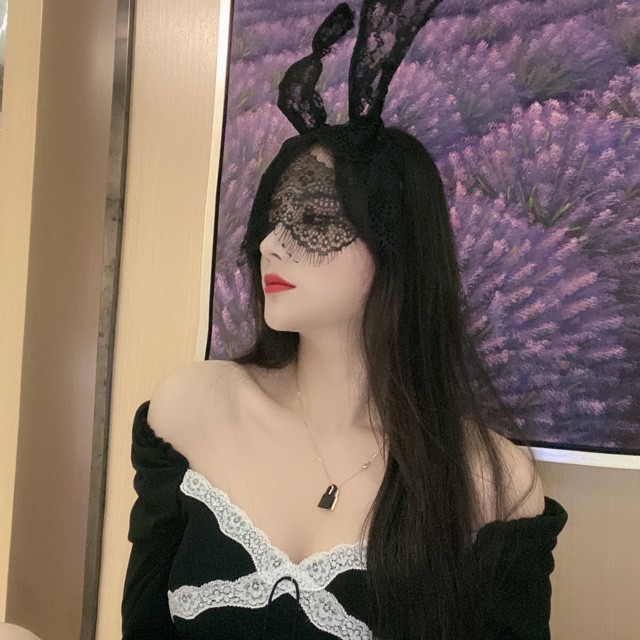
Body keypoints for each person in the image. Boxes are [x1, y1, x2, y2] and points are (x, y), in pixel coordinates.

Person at [121, 2, 568, 639]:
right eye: (272, 219)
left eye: (314, 218)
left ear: (395, 246)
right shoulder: (193, 410)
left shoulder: (489, 483)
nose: (270, 244)